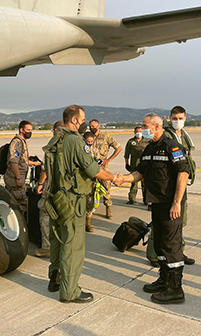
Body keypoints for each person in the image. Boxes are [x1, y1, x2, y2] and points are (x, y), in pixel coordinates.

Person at [45, 105, 119, 303]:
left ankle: (55, 279)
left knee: (58, 240)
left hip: (57, 198)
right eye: (83, 118)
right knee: (73, 246)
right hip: (72, 200)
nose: (85, 122)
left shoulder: (56, 138)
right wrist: (114, 178)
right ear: (75, 120)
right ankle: (70, 291)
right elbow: (93, 170)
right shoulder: (76, 141)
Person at [117, 113, 189, 304]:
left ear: (157, 127)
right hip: (156, 203)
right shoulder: (149, 148)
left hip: (170, 204)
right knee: (159, 245)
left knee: (171, 246)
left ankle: (175, 289)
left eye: (145, 126)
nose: (142, 129)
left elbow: (183, 174)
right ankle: (164, 280)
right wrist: (122, 179)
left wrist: (176, 202)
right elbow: (140, 172)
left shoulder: (172, 147)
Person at [147, 106, 196, 266]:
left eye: (180, 118)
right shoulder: (166, 138)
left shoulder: (184, 136)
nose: (178, 121)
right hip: (166, 190)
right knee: (161, 226)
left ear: (185, 118)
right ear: (169, 118)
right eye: (175, 118)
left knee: (179, 223)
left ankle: (177, 252)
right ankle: (155, 254)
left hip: (179, 188)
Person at [34, 120, 64, 258]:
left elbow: (46, 168)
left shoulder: (53, 145)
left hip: (52, 186)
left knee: (44, 212)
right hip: (67, 189)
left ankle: (47, 247)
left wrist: (40, 184)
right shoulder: (75, 144)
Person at [4, 120, 41, 214]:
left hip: (19, 178)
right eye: (28, 130)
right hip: (15, 180)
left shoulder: (22, 142)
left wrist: (33, 163)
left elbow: (21, 160)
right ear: (22, 130)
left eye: (31, 130)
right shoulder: (17, 143)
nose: (30, 132)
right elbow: (13, 161)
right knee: (20, 205)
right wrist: (18, 178)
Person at [87, 119, 122, 219]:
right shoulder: (88, 137)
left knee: (106, 189)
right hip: (91, 166)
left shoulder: (106, 136)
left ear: (98, 126)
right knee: (90, 190)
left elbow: (118, 148)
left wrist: (109, 159)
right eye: (90, 126)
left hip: (103, 167)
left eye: (94, 126)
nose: (92, 128)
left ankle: (108, 208)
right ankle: (89, 213)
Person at [124, 126, 148, 205]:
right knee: (134, 183)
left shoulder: (147, 141)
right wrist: (127, 163)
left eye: (140, 131)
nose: (139, 133)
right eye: (137, 131)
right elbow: (127, 154)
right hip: (134, 164)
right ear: (134, 132)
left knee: (145, 183)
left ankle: (146, 200)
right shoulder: (131, 142)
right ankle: (132, 199)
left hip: (144, 164)